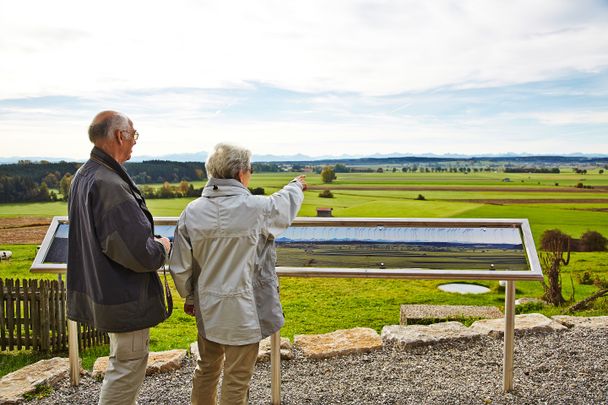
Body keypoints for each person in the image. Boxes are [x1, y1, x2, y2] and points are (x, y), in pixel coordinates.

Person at [170, 143, 306, 405]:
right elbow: (284, 206)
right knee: (237, 377)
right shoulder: (256, 208)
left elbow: (180, 265)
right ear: (241, 173)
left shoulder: (192, 211)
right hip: (245, 311)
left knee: (206, 369)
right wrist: (296, 185)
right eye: (251, 170)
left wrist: (189, 297)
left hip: (208, 308)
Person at [67, 111, 172, 405]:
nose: (134, 143)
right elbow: (138, 252)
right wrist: (161, 247)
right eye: (133, 135)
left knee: (122, 362)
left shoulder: (84, 176)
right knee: (127, 367)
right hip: (124, 297)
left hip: (103, 291)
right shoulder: (110, 184)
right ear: (118, 136)